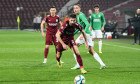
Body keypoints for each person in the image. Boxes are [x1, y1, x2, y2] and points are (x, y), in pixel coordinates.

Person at [71, 4, 106, 70]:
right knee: (90, 50)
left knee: (73, 47)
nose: (75, 9)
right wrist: (72, 34)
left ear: (80, 9)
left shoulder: (81, 15)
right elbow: (79, 28)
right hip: (89, 34)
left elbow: (87, 24)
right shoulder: (78, 16)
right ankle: (102, 64)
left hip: (86, 34)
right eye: (74, 8)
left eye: (76, 8)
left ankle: (78, 64)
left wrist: (83, 33)